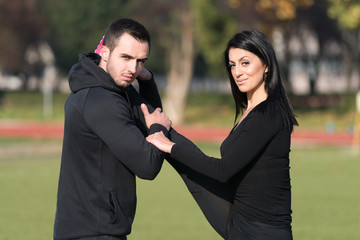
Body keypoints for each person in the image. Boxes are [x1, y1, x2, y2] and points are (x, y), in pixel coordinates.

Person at [142, 29, 298, 239]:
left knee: (178, 153)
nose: (237, 72)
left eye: (245, 63)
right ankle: (144, 94)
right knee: (183, 160)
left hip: (263, 231)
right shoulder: (251, 111)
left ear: (266, 65)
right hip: (240, 221)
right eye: (232, 65)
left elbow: (223, 170)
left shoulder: (269, 113)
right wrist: (147, 84)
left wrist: (170, 146)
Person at [53, 18, 171, 240]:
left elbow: (148, 115)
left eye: (141, 61)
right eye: (126, 57)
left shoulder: (100, 87)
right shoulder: (104, 101)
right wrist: (159, 127)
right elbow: (147, 165)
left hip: (88, 228)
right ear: (105, 53)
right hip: (95, 232)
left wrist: (147, 82)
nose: (133, 69)